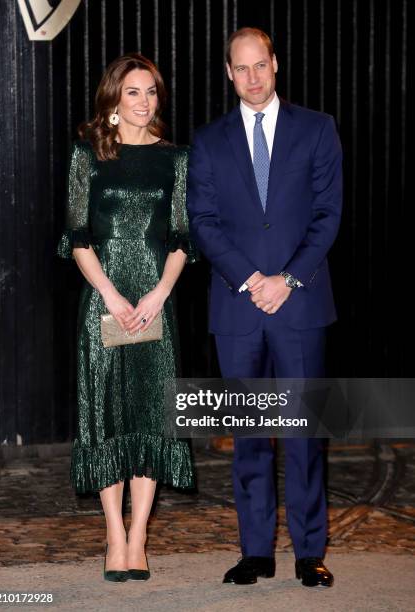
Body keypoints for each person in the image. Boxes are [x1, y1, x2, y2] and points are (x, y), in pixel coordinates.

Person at [187, 27, 342, 587]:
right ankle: (255, 551)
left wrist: (288, 281)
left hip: (300, 306)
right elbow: (202, 222)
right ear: (229, 73)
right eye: (241, 68)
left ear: (275, 64)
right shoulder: (207, 141)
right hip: (238, 308)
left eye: (261, 65)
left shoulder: (317, 129)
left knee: (303, 435)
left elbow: (328, 214)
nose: (253, 77)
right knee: (250, 435)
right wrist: (254, 279)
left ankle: (309, 553)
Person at [57, 53, 196, 582]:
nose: (144, 102)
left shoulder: (176, 159)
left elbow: (182, 237)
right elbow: (77, 237)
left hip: (155, 307)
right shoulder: (85, 155)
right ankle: (113, 533)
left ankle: (139, 538)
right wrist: (112, 296)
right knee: (108, 417)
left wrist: (160, 292)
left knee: (150, 417)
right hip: (104, 303)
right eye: (133, 92)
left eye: (152, 92)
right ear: (113, 99)